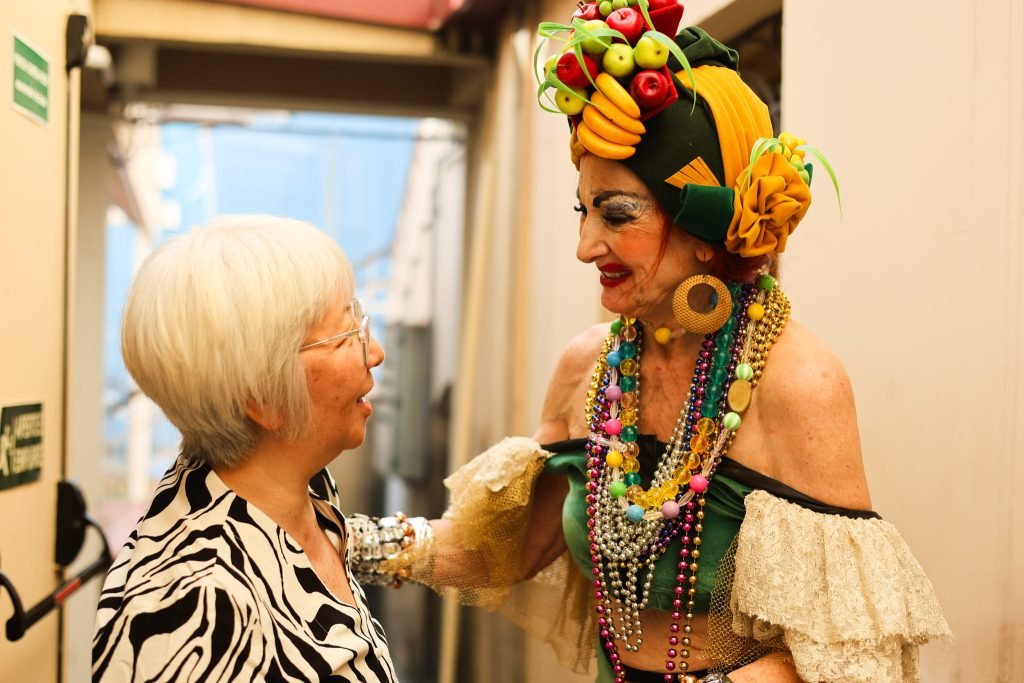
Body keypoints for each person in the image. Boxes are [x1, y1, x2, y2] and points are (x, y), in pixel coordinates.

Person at [348, 6, 950, 683]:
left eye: (617, 213)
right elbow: (508, 550)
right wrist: (345, 542)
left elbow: (846, 655)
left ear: (705, 227)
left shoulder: (799, 383)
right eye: (584, 210)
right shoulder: (590, 368)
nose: (585, 247)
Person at [92, 215, 408, 682]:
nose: (375, 351)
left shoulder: (291, 488)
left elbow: (330, 548)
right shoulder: (193, 611)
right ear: (264, 397)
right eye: (349, 334)